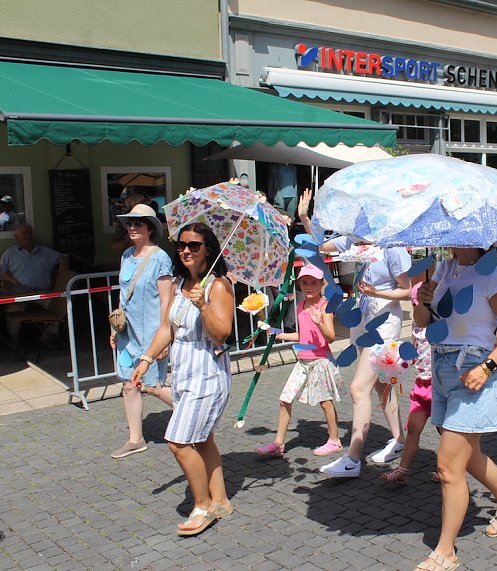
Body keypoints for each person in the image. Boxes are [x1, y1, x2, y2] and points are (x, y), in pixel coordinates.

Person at [412, 247, 497, 570]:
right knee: (467, 453)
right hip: (440, 367)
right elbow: (422, 323)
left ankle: (446, 551)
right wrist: (423, 301)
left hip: (473, 371)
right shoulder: (444, 269)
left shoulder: (494, 274)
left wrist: (487, 367)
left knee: (448, 465)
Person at [297, 189, 412, 478]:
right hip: (362, 319)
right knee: (380, 385)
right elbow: (321, 246)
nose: (359, 219)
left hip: (384, 322)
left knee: (358, 388)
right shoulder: (352, 240)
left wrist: (378, 292)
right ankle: (399, 439)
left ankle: (352, 459)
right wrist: (304, 218)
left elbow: (407, 290)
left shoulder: (392, 246)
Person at [132, 222, 234, 536]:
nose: (186, 250)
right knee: (202, 439)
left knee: (178, 442)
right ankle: (221, 500)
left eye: (194, 245)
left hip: (208, 372)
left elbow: (221, 334)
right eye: (181, 245)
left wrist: (203, 306)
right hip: (184, 372)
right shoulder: (178, 284)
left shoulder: (219, 286)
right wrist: (146, 359)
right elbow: (167, 328)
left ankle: (203, 506)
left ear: (208, 250)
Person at [254, 264, 344, 458]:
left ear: (321, 284)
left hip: (320, 362)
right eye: (305, 283)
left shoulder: (325, 307)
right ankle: (278, 443)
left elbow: (330, 337)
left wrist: (319, 322)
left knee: (325, 402)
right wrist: (279, 334)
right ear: (299, 284)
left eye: (313, 283)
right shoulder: (301, 306)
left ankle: (334, 440)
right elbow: (302, 335)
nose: (309, 287)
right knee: (285, 399)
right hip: (302, 362)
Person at [109, 204, 174, 459]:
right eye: (130, 224)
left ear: (150, 229)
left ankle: (194, 413)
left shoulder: (160, 258)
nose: (132, 228)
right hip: (128, 333)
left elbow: (166, 300)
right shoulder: (126, 255)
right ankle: (135, 439)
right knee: (129, 385)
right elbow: (123, 294)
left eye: (138, 223)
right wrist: (115, 328)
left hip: (151, 333)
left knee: (152, 386)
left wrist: (164, 337)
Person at [380, 282, 437, 484]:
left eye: (420, 305)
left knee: (446, 432)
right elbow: (416, 353)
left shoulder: (440, 325)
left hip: (439, 386)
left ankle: (448, 468)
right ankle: (403, 469)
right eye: (414, 305)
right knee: (413, 428)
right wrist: (398, 363)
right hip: (421, 384)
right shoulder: (416, 326)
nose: (417, 310)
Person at [0, 223, 64, 292]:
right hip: (21, 294)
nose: (28, 235)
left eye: (30, 233)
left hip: (45, 293)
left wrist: (62, 269)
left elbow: (64, 258)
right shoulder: (10, 253)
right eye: (24, 233)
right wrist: (15, 282)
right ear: (16, 237)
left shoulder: (45, 252)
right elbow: (2, 272)